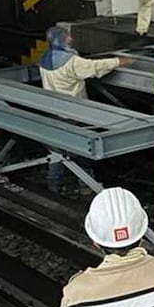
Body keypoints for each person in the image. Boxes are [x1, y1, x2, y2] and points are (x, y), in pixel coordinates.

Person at [39, 25, 131, 193]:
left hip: (53, 112)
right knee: (82, 150)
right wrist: (119, 61)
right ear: (60, 39)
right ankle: (86, 185)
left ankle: (53, 185)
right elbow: (93, 67)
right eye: (67, 37)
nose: (71, 39)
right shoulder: (71, 62)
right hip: (74, 114)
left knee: (56, 151)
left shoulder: (44, 59)